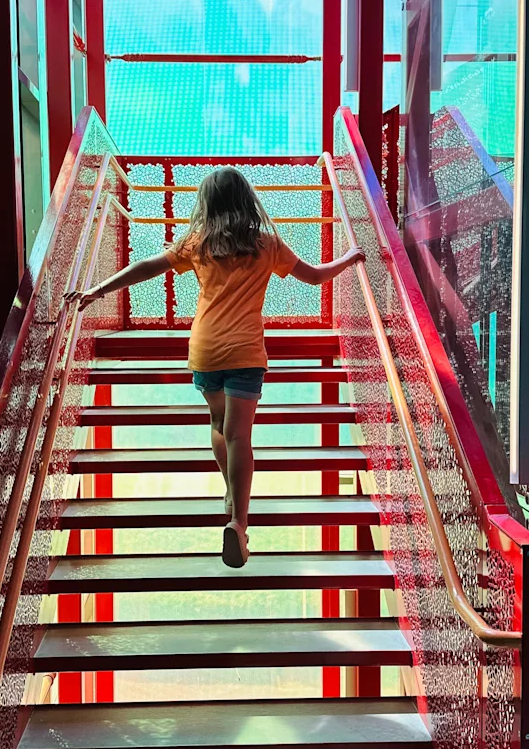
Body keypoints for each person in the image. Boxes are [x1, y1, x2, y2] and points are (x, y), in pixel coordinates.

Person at [66, 167, 363, 569]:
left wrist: (96, 291)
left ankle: (229, 491)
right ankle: (238, 522)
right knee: (240, 436)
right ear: (246, 199)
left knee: (219, 424)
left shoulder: (199, 244)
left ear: (207, 204)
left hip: (206, 350)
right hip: (245, 354)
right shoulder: (267, 244)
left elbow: (148, 266)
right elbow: (313, 277)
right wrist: (347, 259)